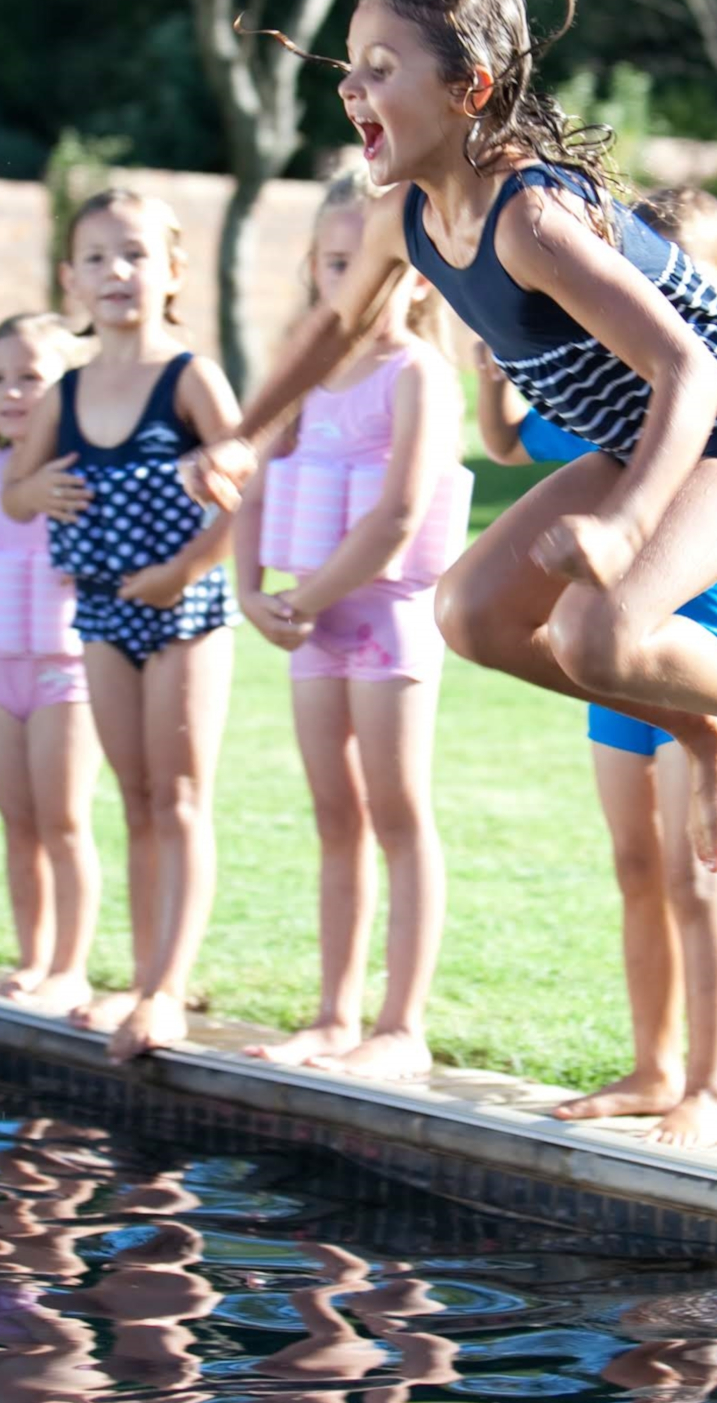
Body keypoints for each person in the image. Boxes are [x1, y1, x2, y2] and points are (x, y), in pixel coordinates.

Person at [187, 0, 717, 873]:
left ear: (471, 90)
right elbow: (334, 328)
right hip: (642, 435)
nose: (350, 87)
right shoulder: (401, 218)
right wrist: (245, 437)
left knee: (596, 632)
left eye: (380, 68)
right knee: (474, 617)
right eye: (347, 69)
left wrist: (623, 525)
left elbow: (689, 372)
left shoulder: (530, 220)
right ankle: (701, 729)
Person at [474, 186, 717, 1146]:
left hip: (700, 659)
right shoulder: (614, 412)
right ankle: (654, 1065)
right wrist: (493, 350)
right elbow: (503, 440)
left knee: (696, 881)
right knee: (634, 869)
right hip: (612, 682)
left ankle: (710, 1085)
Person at [236, 169, 467, 1083]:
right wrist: (253, 590)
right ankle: (334, 1016)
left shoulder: (420, 378)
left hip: (386, 630)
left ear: (417, 277)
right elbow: (252, 477)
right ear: (316, 270)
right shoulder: (304, 376)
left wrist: (308, 597)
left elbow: (397, 519)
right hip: (310, 629)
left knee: (400, 817)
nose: (359, 282)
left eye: (379, 264)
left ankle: (400, 1025)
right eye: (341, 264)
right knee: (336, 819)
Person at [4, 189, 240, 1062]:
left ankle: (168, 989)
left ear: (173, 270)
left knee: (180, 798)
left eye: (136, 254)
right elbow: (14, 492)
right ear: (71, 277)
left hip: (185, 611)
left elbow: (246, 490)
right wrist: (40, 492)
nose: (116, 273)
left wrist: (183, 571)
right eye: (97, 258)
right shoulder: (64, 393)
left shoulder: (189, 378)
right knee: (136, 799)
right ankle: (142, 977)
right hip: (101, 610)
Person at [0, 313, 102, 1015]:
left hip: (62, 679)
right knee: (16, 820)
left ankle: (71, 967)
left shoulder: (76, 474)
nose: (11, 392)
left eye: (30, 378)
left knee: (63, 820)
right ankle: (31, 958)